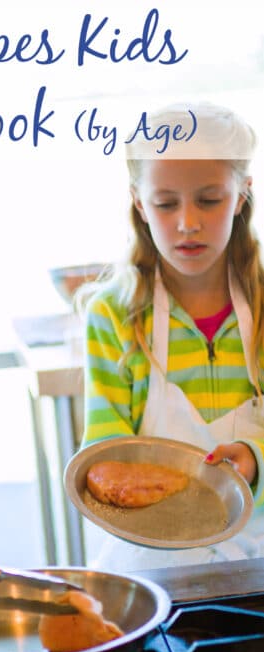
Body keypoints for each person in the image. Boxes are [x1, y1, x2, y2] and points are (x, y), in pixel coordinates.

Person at [81, 101, 264, 571]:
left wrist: (254, 460)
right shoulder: (113, 316)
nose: (187, 222)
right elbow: (103, 450)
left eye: (209, 199)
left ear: (242, 194)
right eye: (166, 203)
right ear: (140, 202)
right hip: (154, 561)